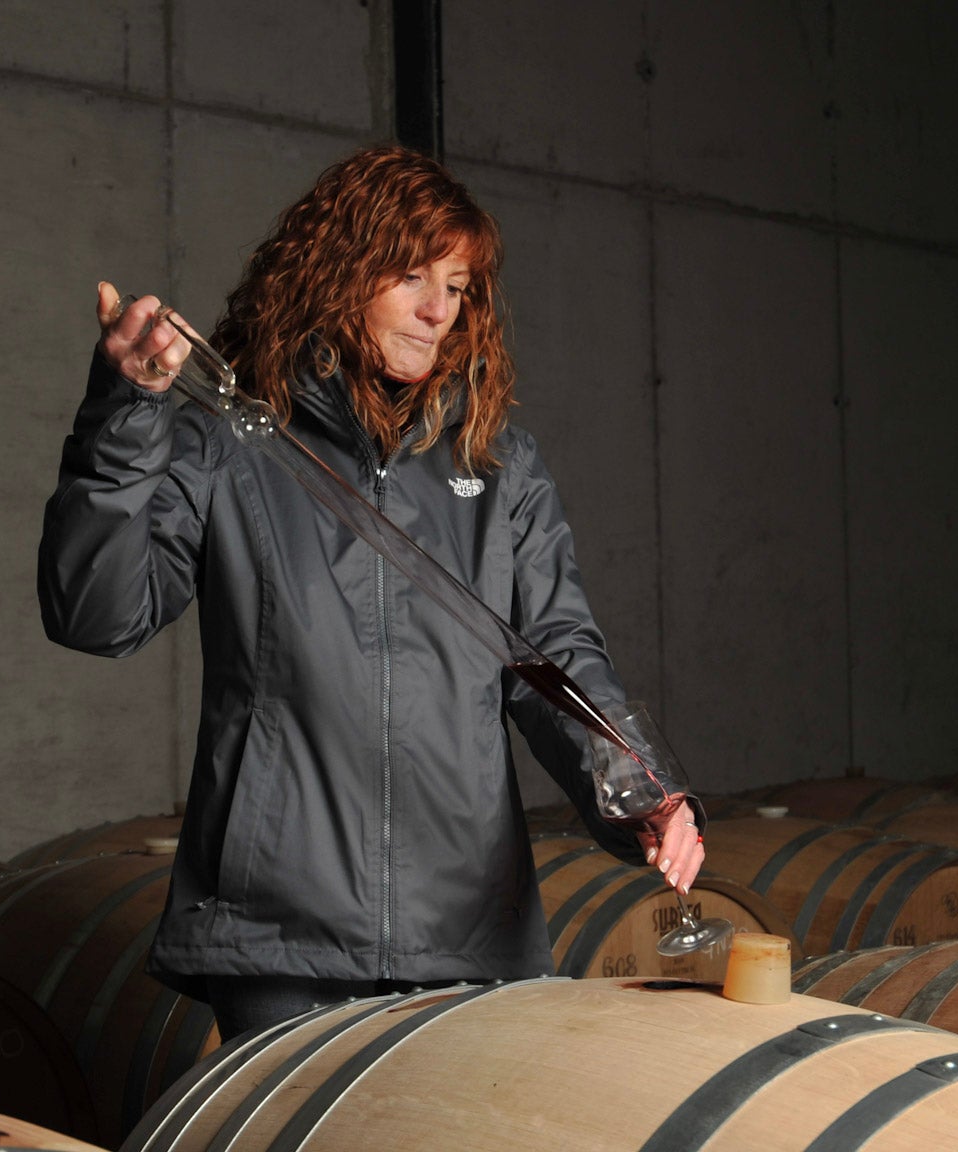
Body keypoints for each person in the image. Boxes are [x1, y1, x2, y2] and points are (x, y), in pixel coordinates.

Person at [37, 144, 704, 1041]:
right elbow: (96, 614)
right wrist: (126, 414)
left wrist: (642, 789)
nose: (439, 311)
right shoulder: (232, 445)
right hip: (282, 939)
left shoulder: (497, 463)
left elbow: (554, 659)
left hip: (469, 934)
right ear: (337, 271)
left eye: (459, 286)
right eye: (411, 276)